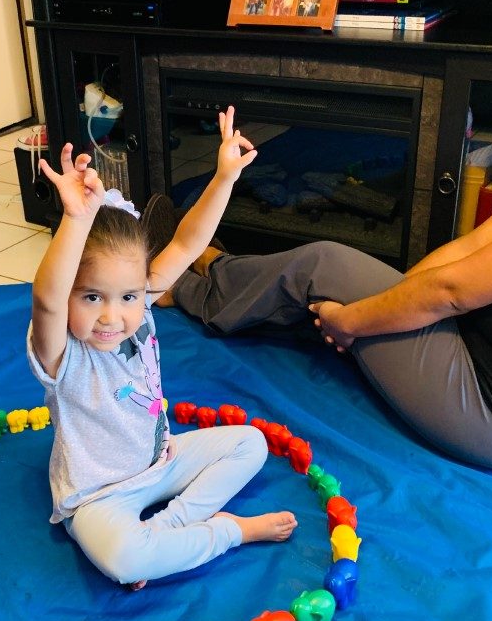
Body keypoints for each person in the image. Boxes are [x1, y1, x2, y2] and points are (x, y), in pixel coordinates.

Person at [155, 0, 492, 472]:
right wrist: (393, 302)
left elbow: (449, 293)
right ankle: (208, 261)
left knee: (319, 268)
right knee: (345, 282)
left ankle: (181, 285)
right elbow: (482, 241)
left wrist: (354, 323)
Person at [28, 106, 297, 589]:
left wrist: (223, 178)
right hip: (98, 498)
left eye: (128, 296)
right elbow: (47, 299)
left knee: (250, 444)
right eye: (92, 297)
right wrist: (74, 218)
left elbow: (189, 244)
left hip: (162, 462)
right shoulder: (62, 351)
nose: (113, 316)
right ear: (70, 292)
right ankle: (226, 533)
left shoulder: (140, 308)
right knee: (125, 561)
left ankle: (168, 530)